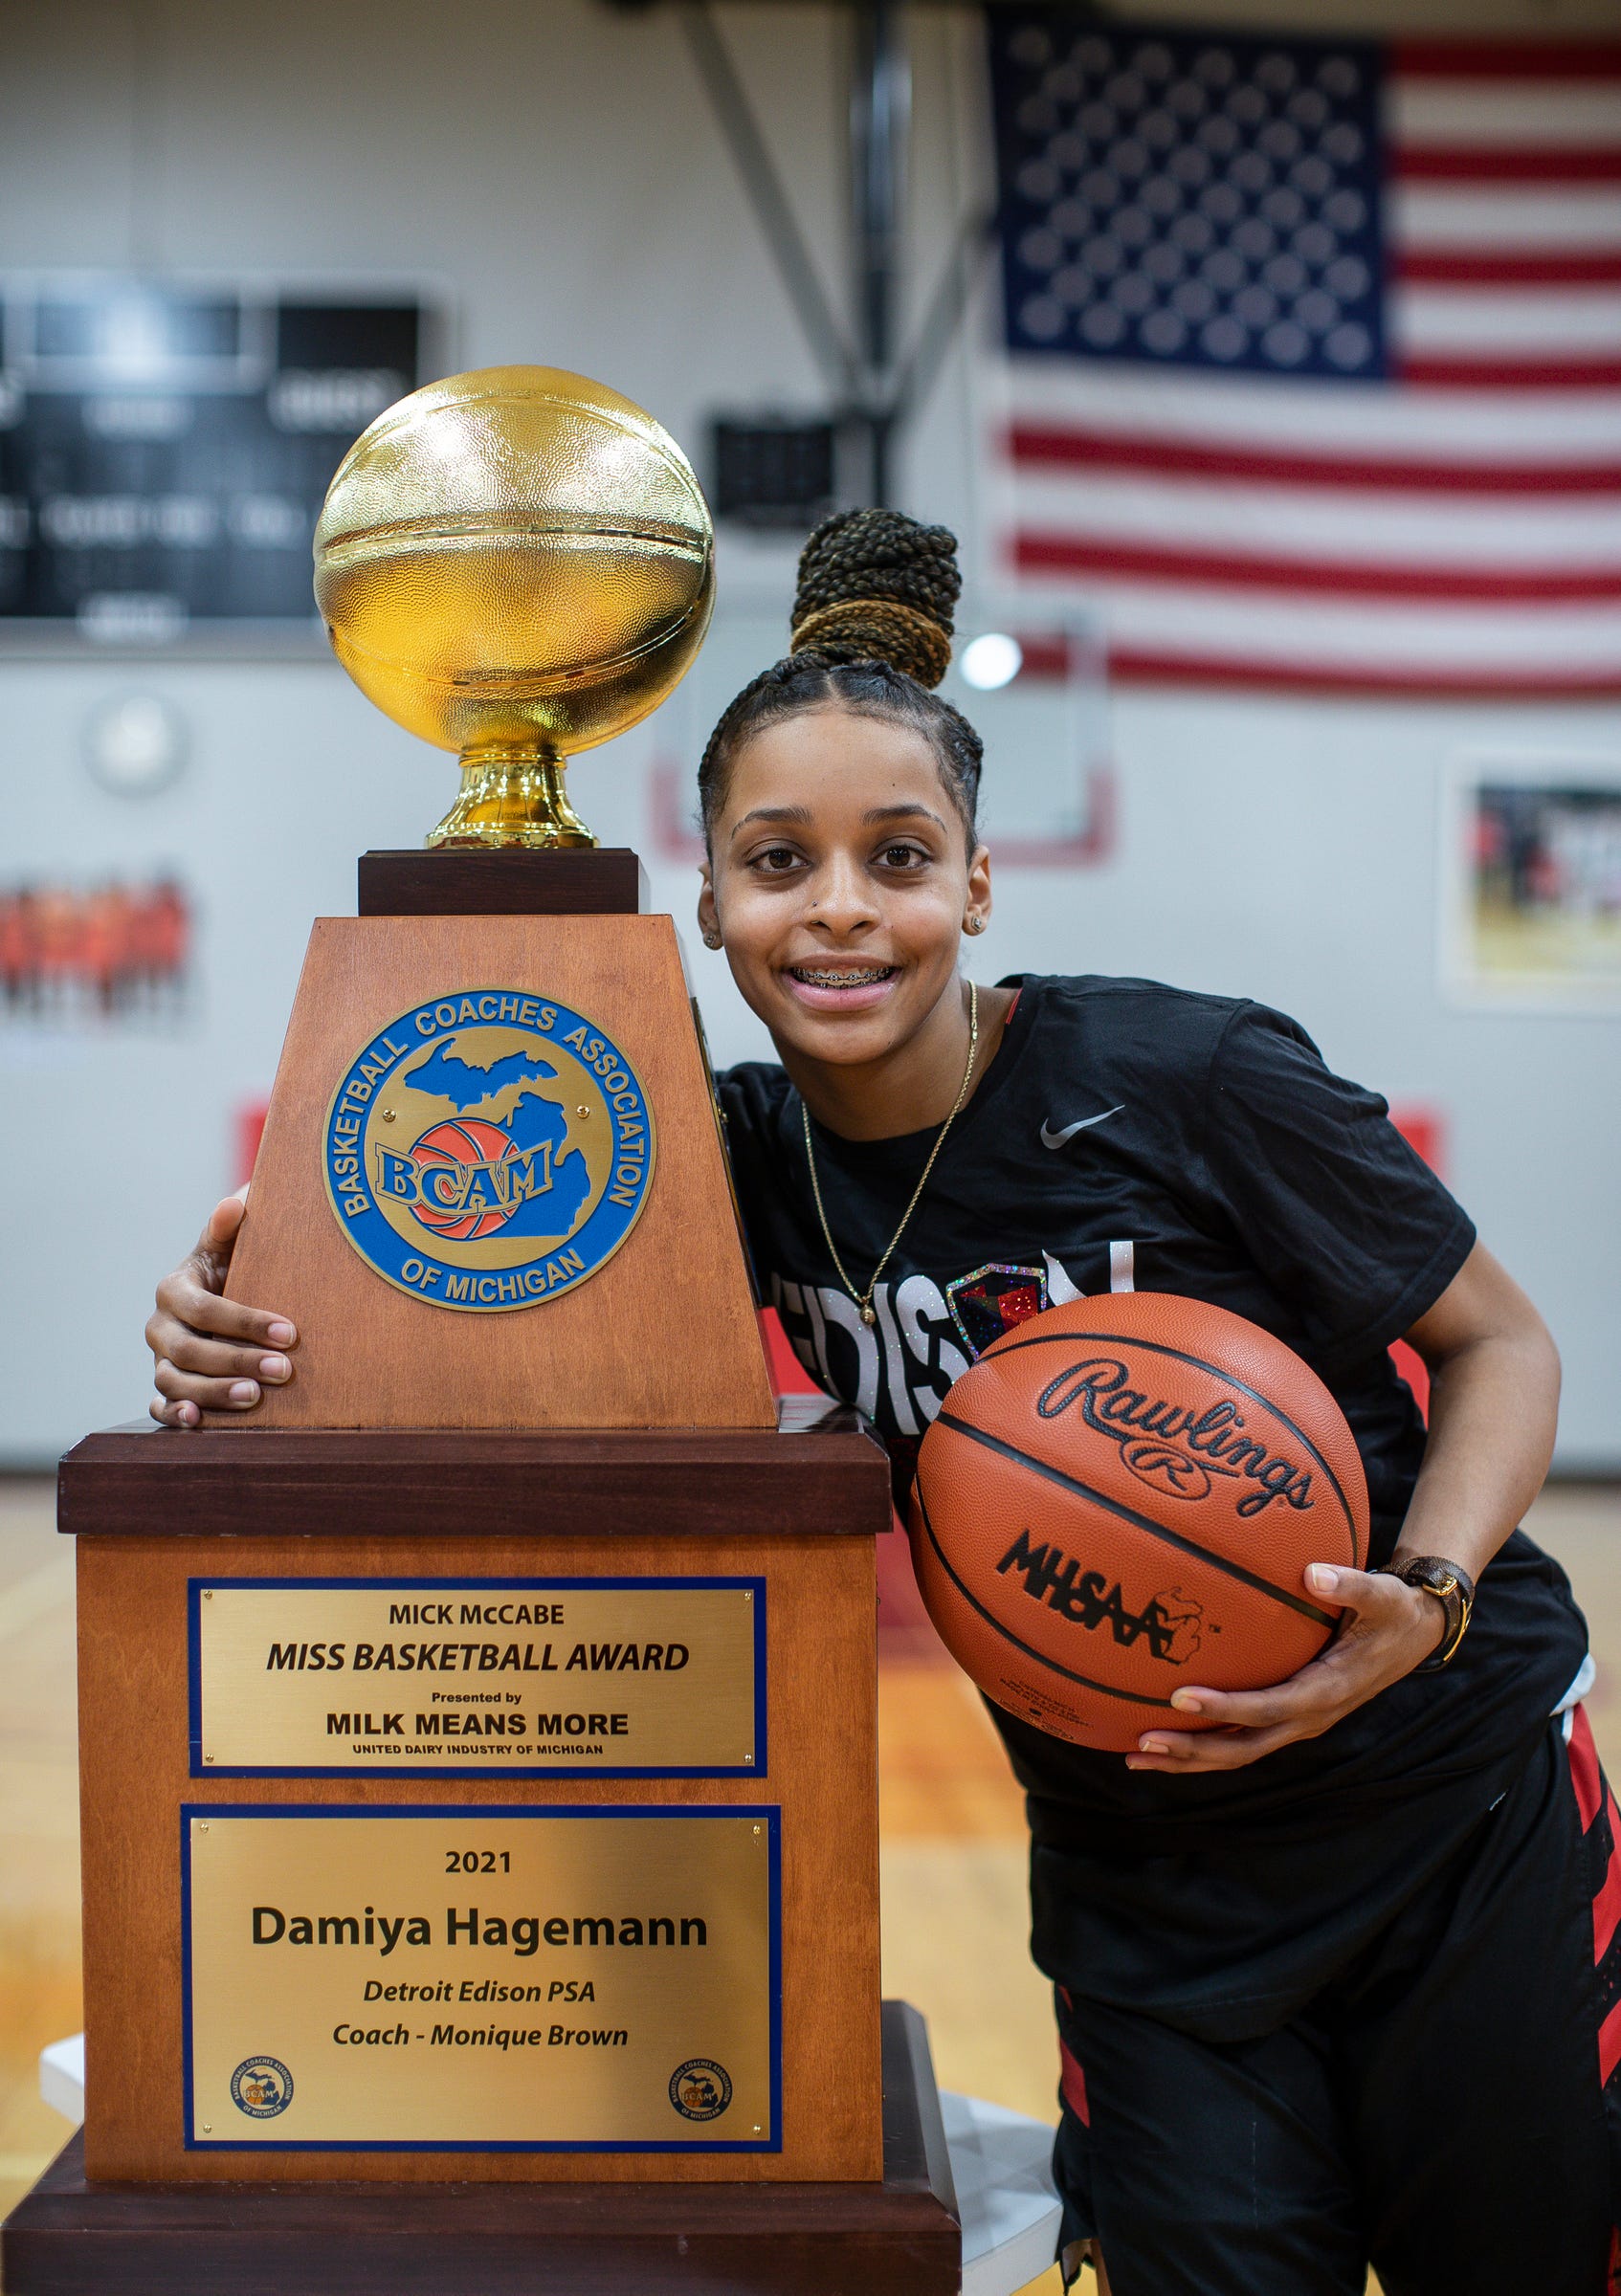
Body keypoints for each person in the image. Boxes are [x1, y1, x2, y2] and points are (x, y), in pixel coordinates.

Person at [145, 510, 1614, 2296]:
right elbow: (441, 1283)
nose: (839, 905)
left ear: (976, 885)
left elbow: (1501, 1345)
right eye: (779, 860)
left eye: (896, 857)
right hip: (1141, 1869)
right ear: (707, 904)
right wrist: (243, 1307)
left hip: (1447, 1805)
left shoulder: (1187, 1076)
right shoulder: (712, 1169)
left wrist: (1429, 1604)